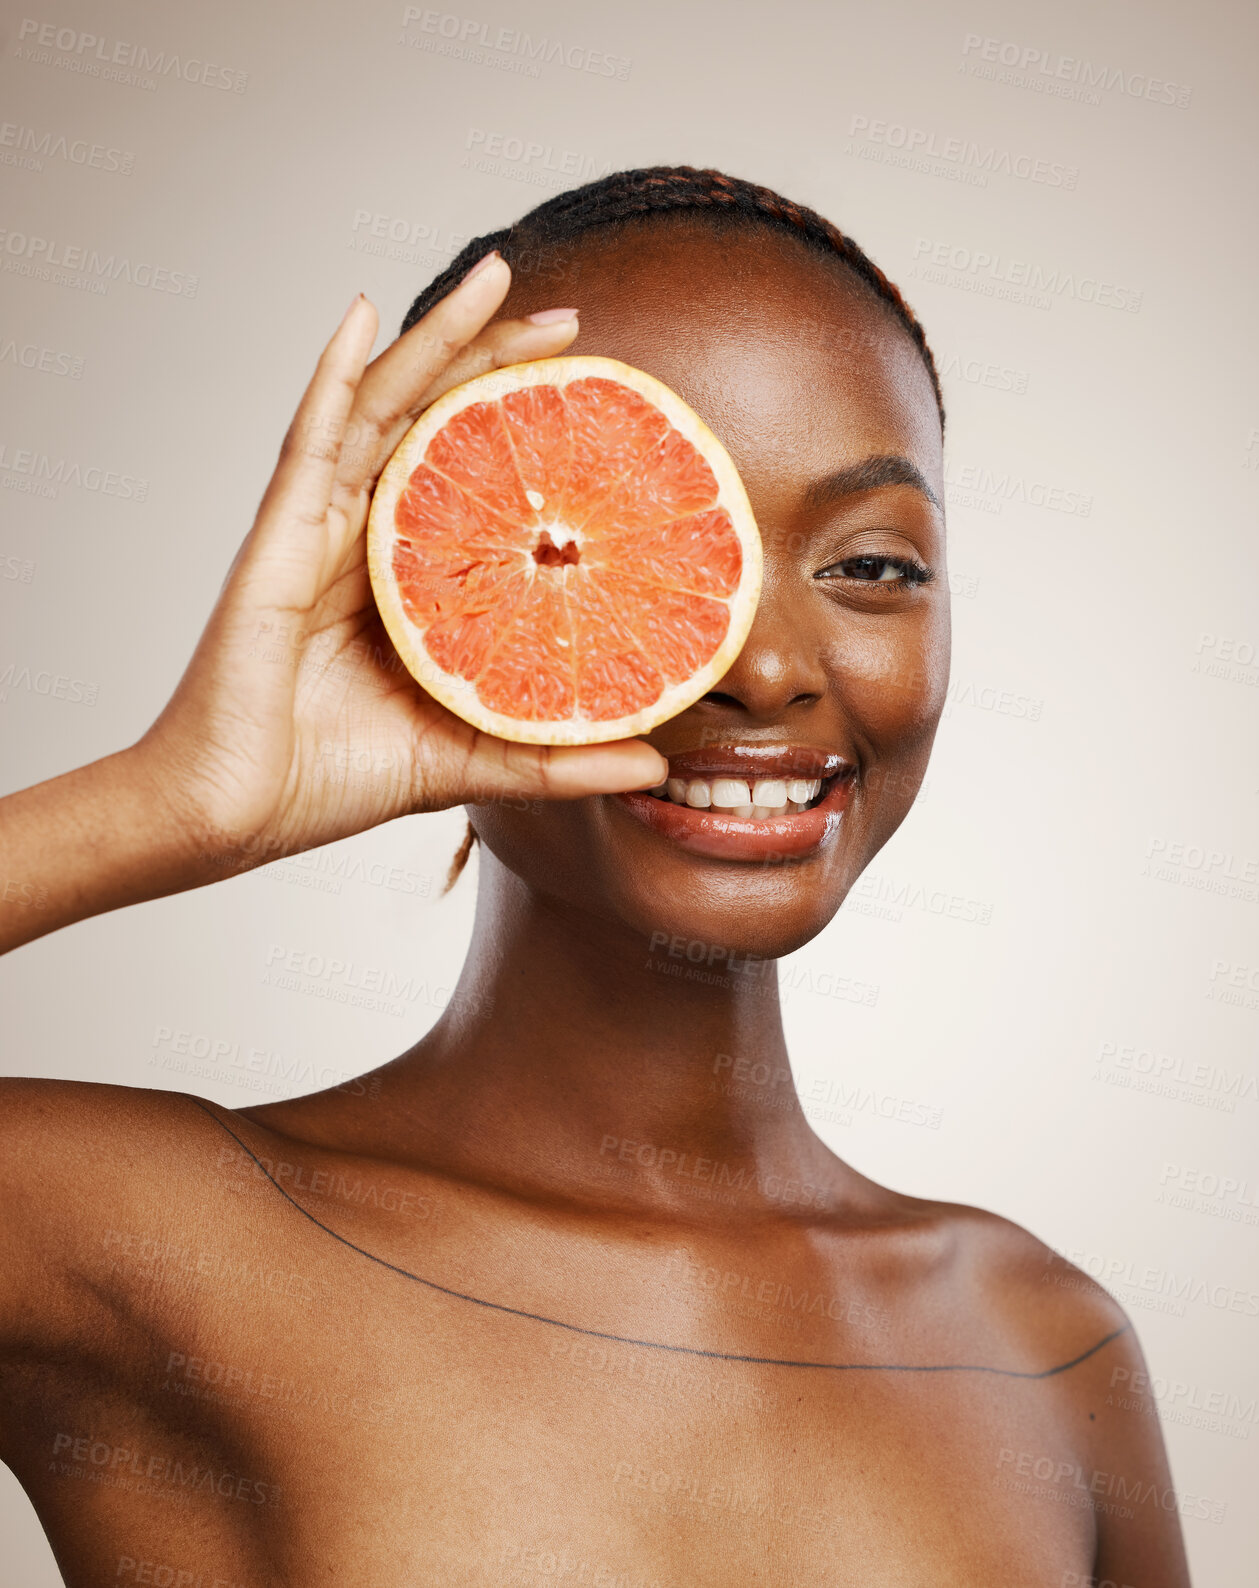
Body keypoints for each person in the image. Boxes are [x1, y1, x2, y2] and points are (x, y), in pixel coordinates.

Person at [0, 166, 1190, 1586]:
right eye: (609, 555)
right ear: (431, 592)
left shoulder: (1044, 1347)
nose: (759, 667)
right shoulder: (145, 1231)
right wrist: (176, 803)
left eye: (870, 565)